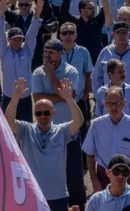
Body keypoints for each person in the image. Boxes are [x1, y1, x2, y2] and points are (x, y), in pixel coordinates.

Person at [6, 78, 84, 211]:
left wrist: (69, 100)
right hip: (32, 194)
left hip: (58, 196)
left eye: (47, 113)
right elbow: (8, 121)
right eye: (38, 113)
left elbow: (79, 121)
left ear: (54, 113)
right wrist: (14, 99)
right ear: (35, 114)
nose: (43, 116)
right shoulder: (26, 130)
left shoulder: (62, 131)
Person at [31, 39, 85, 210]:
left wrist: (52, 76)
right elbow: (37, 99)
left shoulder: (71, 72)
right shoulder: (38, 73)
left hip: (69, 129)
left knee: (73, 170)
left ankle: (78, 204)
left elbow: (69, 95)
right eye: (45, 52)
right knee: (50, 171)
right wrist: (61, 96)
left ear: (60, 53)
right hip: (47, 131)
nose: (47, 56)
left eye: (51, 52)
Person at [82, 85, 130, 191]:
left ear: (123, 103)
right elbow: (89, 153)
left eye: (117, 104)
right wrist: (94, 180)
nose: (114, 108)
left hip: (128, 175)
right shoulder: (96, 125)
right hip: (104, 175)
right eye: (110, 104)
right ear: (104, 104)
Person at [0, 0, 43, 122]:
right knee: (8, 131)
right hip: (9, 97)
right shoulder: (4, 52)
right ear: (8, 40)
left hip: (25, 99)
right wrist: (1, 16)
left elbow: (32, 35)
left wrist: (36, 17)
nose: (18, 41)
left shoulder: (27, 51)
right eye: (14, 39)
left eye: (20, 39)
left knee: (26, 131)